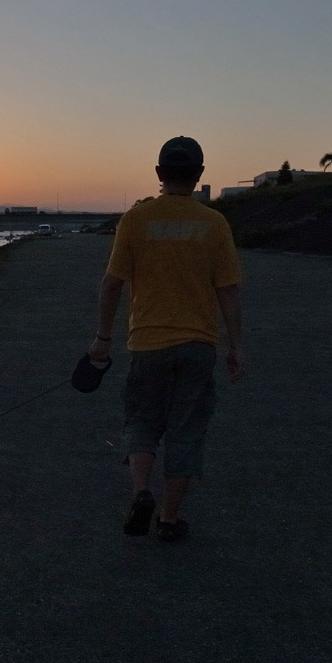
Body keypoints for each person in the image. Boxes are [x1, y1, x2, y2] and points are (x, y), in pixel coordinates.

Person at [88, 136, 243, 543]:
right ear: (200, 175)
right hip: (198, 345)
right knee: (186, 431)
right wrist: (236, 346)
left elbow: (112, 284)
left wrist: (103, 339)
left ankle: (142, 493)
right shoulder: (214, 224)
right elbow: (227, 289)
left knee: (141, 421)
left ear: (159, 175)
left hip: (148, 344)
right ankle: (170, 521)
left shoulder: (136, 220)